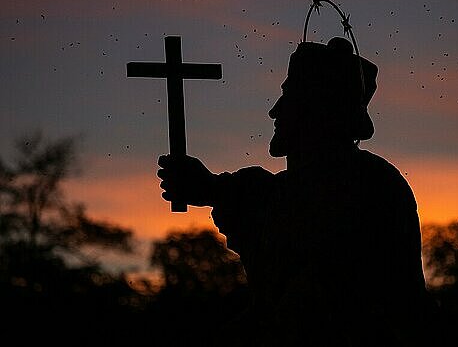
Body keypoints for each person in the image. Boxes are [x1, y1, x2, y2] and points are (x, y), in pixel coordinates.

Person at [157, 36, 432, 346]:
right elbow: (265, 195)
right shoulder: (315, 184)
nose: (275, 112)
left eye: (288, 96)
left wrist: (212, 188)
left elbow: (285, 214)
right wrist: (210, 187)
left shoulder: (366, 184)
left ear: (316, 109)